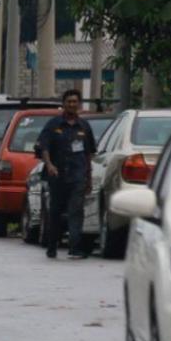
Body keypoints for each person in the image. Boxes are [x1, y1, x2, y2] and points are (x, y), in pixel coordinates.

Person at [36, 88, 97, 260]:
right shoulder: (53, 124)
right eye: (69, 101)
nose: (72, 104)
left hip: (78, 176)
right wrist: (49, 165)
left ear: (79, 104)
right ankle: (52, 245)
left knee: (76, 211)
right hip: (57, 176)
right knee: (55, 211)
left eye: (74, 102)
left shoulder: (84, 127)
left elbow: (89, 154)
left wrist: (88, 178)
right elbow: (44, 147)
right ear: (63, 104)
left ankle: (75, 247)